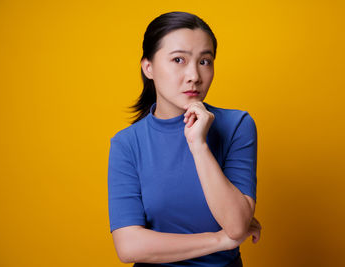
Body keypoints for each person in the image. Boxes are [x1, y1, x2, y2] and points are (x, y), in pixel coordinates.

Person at [107, 11, 261, 267]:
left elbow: (236, 225)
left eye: (205, 61)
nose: (195, 76)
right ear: (149, 68)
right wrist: (219, 241)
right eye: (179, 59)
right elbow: (128, 246)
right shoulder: (127, 143)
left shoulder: (237, 126)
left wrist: (199, 146)